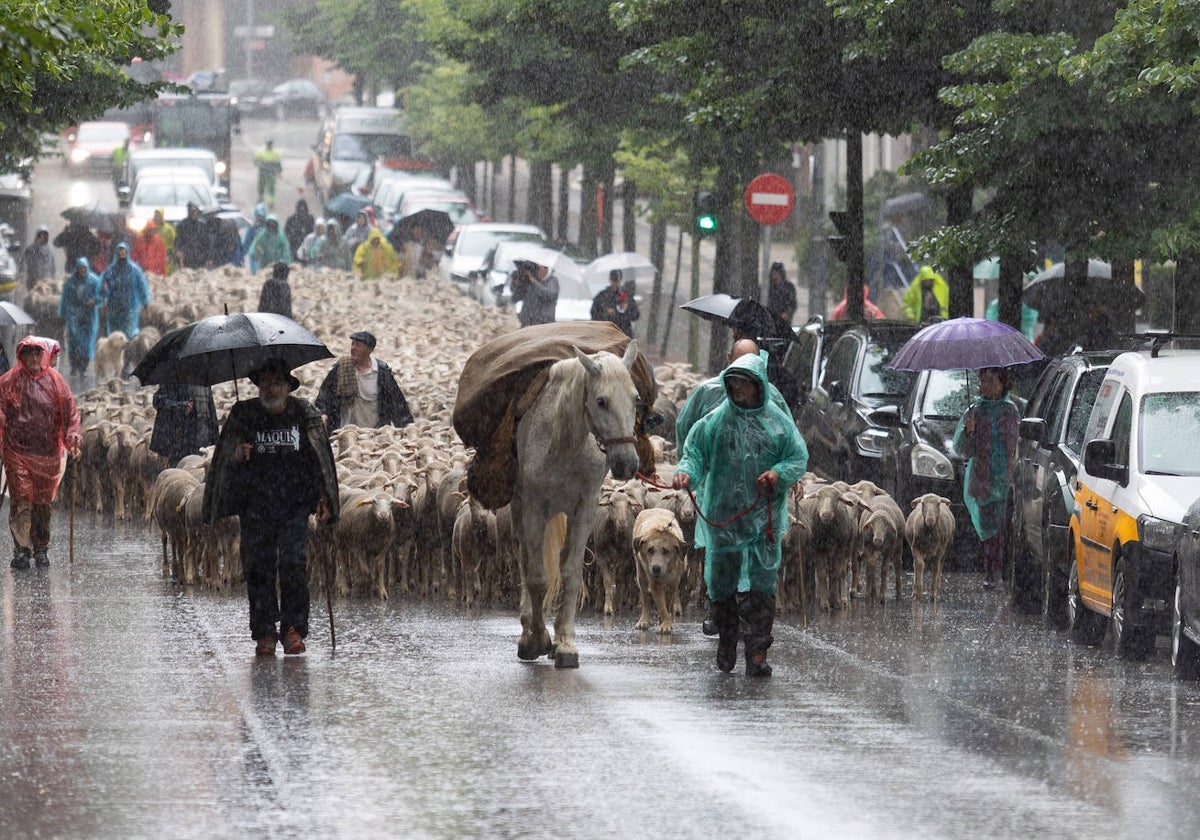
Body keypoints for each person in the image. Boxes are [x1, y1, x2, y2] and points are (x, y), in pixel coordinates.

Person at [672, 351, 808, 677]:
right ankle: (727, 641)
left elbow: (797, 456)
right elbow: (694, 452)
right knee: (722, 582)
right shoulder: (717, 420)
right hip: (725, 514)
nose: (736, 391)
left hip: (764, 518)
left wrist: (778, 473)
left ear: (757, 385)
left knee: (762, 584)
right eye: (732, 385)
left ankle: (758, 652)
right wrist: (686, 473)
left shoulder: (778, 422)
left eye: (743, 385)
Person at [202, 358, 339, 656]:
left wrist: (323, 496)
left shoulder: (304, 414)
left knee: (293, 564)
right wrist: (236, 455)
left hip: (294, 504)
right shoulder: (244, 414)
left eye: (277, 383)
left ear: (288, 387)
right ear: (257, 386)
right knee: (258, 566)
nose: (271, 388)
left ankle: (293, 628)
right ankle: (264, 631)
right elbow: (224, 457)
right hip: (256, 504)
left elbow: (319, 460)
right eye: (265, 382)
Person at [0, 336, 82, 568]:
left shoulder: (57, 383)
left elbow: (70, 416)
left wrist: (73, 438)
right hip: (17, 452)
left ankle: (41, 547)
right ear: (21, 355)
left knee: (42, 504)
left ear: (45, 355)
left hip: (47, 455)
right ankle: (22, 549)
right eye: (29, 353)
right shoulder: (9, 381)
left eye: (38, 353)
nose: (34, 358)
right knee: (22, 500)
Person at [952, 366, 1020, 588]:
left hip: (1004, 478)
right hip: (981, 477)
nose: (986, 386)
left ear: (1002, 383)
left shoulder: (1011, 412)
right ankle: (990, 571)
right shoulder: (975, 412)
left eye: (991, 381)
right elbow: (963, 449)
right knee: (987, 527)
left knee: (1002, 527)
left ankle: (999, 571)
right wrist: (968, 431)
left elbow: (1016, 445)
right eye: (983, 381)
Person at [315, 331, 414, 432]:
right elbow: (325, 393)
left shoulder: (381, 372)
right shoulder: (342, 368)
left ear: (369, 350)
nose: (353, 348)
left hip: (374, 432)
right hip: (345, 431)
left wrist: (406, 427)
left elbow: (396, 401)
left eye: (358, 345)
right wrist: (323, 413)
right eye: (352, 344)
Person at [57, 257, 103, 384]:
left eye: (84, 268)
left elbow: (102, 294)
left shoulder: (94, 281)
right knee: (73, 343)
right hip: (74, 315)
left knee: (87, 344)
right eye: (80, 268)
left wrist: (94, 300)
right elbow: (64, 299)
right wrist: (62, 314)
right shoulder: (70, 282)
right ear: (76, 269)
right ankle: (73, 366)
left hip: (89, 316)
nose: (82, 270)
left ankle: (83, 369)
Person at [150, 383, 218, 465]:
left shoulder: (204, 380)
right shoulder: (173, 376)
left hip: (203, 439)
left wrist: (216, 442)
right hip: (180, 440)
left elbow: (211, 412)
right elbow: (158, 401)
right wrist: (181, 406)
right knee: (181, 471)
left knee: (200, 472)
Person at [100, 241, 151, 339]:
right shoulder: (110, 271)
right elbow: (102, 290)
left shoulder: (135, 270)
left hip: (130, 309)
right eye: (119, 255)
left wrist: (146, 306)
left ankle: (129, 353)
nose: (121, 257)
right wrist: (104, 290)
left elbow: (142, 288)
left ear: (127, 254)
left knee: (128, 336)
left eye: (123, 254)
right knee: (115, 338)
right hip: (114, 310)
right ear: (116, 255)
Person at [590, 269, 639, 337]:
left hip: (622, 334)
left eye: (617, 281)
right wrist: (606, 312)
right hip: (605, 333)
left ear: (621, 280)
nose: (615, 283)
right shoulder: (602, 296)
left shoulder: (627, 296)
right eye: (614, 280)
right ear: (610, 280)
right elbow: (593, 313)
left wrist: (625, 310)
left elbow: (635, 315)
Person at [511, 259, 559, 327]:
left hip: (543, 324)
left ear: (544, 268)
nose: (535, 271)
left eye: (538, 268)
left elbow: (550, 295)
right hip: (526, 322)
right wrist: (518, 285)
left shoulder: (552, 281)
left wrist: (534, 282)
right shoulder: (529, 282)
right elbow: (515, 298)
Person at [173, 202, 211, 270]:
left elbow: (207, 242)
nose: (193, 213)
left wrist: (209, 257)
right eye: (192, 211)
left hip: (200, 257)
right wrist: (178, 250)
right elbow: (178, 240)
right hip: (187, 257)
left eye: (195, 211)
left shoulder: (202, 226)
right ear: (189, 212)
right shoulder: (182, 225)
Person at [18, 226, 56, 290]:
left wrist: (53, 278)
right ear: (37, 236)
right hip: (33, 280)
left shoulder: (49, 250)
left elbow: (52, 266)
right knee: (34, 297)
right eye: (40, 235)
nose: (42, 237)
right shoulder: (30, 249)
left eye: (44, 235)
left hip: (46, 281)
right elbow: (24, 263)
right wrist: (23, 275)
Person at [765, 262, 797, 333]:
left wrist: (787, 313)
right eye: (773, 272)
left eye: (776, 272)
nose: (775, 275)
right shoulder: (769, 288)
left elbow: (793, 303)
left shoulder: (789, 287)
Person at [254, 139, 283, 210]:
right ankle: (260, 201)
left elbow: (278, 164)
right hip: (263, 173)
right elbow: (255, 161)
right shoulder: (261, 153)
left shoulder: (275, 154)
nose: (269, 145)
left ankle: (270, 203)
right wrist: (261, 165)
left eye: (270, 144)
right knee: (261, 187)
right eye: (268, 144)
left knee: (271, 189)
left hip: (271, 174)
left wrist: (279, 171)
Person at [241, 204, 267, 273]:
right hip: (254, 255)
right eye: (258, 216)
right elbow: (247, 242)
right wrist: (241, 255)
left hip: (266, 255)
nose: (260, 218)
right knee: (255, 273)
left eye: (261, 216)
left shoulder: (269, 226)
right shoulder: (252, 227)